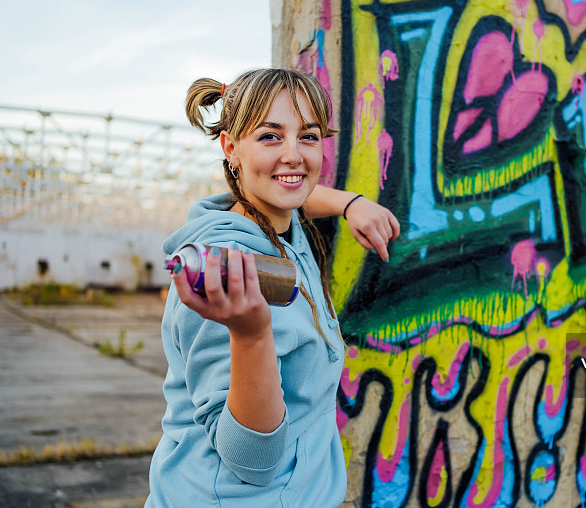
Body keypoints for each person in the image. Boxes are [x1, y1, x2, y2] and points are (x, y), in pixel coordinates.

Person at [146, 68, 399, 507]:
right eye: (269, 136)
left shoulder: (275, 225)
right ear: (231, 149)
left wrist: (349, 203)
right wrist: (251, 336)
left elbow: (296, 190)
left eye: (308, 136)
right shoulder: (224, 270)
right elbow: (251, 459)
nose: (294, 155)